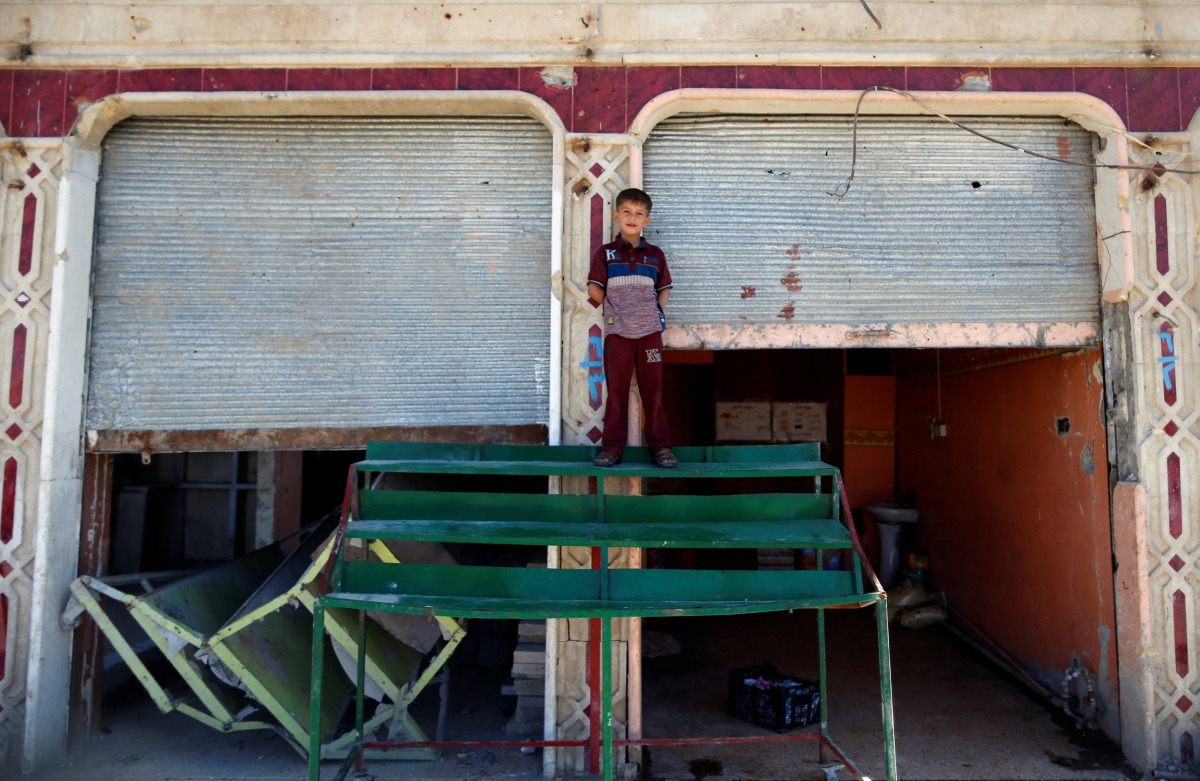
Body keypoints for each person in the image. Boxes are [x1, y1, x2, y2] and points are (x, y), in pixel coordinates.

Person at [587, 188, 678, 468]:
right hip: (618, 333)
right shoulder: (606, 254)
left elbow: (664, 289)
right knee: (617, 392)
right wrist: (616, 310)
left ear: (646, 221)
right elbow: (594, 289)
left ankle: (661, 447)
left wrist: (656, 314)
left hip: (650, 333)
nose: (632, 217)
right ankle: (612, 448)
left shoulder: (655, 255)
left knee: (654, 390)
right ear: (616, 216)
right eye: (626, 212)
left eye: (639, 214)